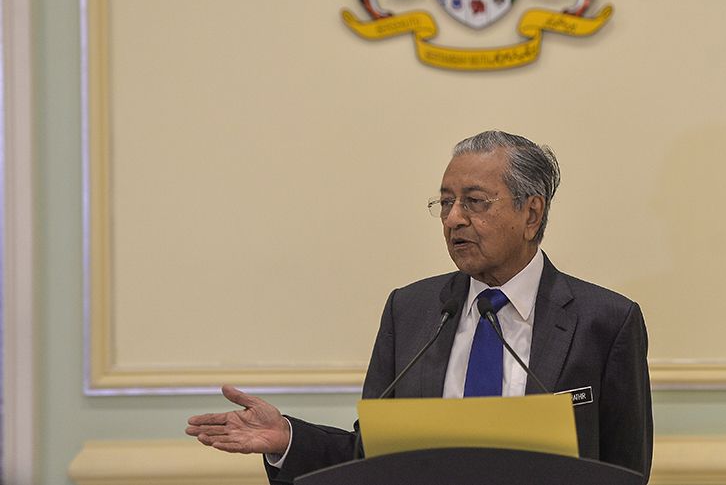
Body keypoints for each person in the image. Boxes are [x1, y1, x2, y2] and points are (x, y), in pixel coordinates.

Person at [186, 130, 653, 483]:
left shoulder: (605, 321)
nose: (453, 219)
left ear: (531, 214)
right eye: (446, 203)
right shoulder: (411, 311)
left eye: (474, 202)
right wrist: (289, 438)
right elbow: (375, 456)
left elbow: (626, 469)